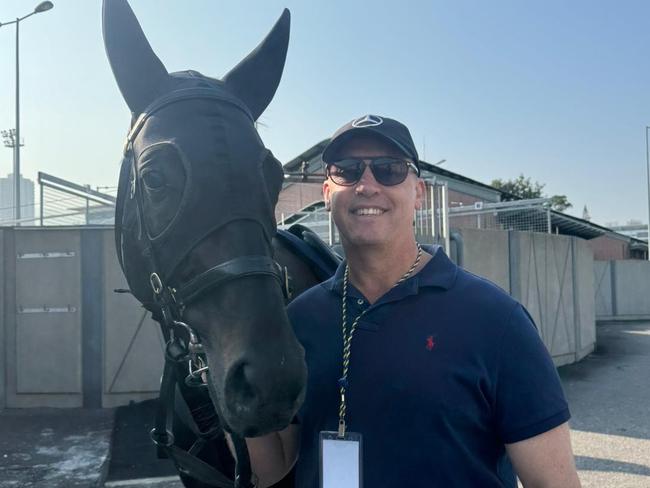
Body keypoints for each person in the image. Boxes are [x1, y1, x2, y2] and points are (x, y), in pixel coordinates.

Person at [245, 115, 581, 487]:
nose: (367, 185)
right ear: (327, 193)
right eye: (348, 171)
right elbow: (272, 468)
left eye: (389, 170)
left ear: (418, 192)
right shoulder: (300, 321)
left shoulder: (496, 321)